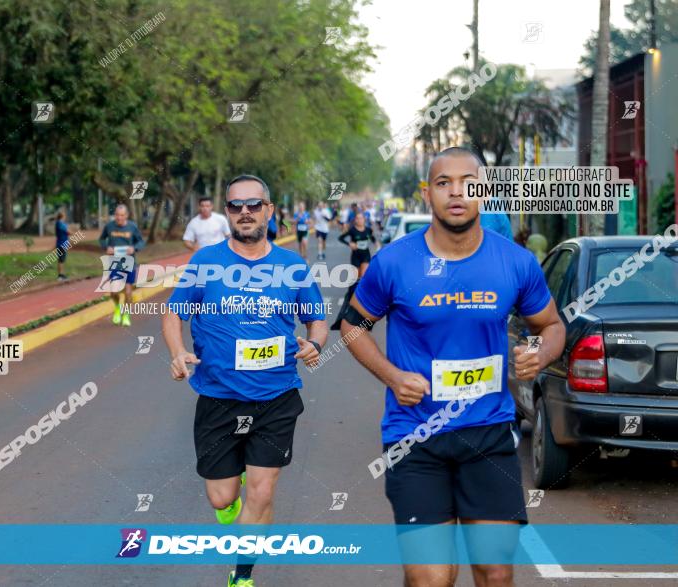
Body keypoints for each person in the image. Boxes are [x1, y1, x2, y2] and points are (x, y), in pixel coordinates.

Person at [340, 147, 566, 587]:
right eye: (443, 183)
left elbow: (552, 324)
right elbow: (352, 327)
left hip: (490, 433)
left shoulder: (515, 262)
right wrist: (392, 375)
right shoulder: (395, 262)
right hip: (415, 436)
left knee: (496, 573)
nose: (456, 192)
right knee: (430, 578)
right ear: (428, 194)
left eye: (467, 182)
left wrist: (541, 351)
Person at [163, 174, 327, 587]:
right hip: (218, 396)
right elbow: (173, 314)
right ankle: (232, 495)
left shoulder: (292, 266)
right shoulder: (205, 262)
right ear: (227, 213)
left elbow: (317, 321)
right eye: (236, 206)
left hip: (276, 396)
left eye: (254, 204)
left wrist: (315, 344)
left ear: (269, 211)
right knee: (223, 497)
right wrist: (177, 352)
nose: (246, 212)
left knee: (262, 493)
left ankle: (243, 575)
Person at [99, 204, 145, 327]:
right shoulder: (109, 226)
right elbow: (102, 239)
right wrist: (106, 247)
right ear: (115, 215)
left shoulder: (132, 227)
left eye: (122, 215)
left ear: (127, 215)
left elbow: (141, 241)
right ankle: (118, 307)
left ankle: (126, 314)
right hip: (114, 262)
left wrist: (134, 248)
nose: (119, 218)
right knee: (114, 291)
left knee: (128, 292)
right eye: (117, 215)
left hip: (129, 262)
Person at [331, 212, 376, 331]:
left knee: (364, 279)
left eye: (361, 218)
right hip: (355, 256)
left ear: (364, 220)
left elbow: (373, 239)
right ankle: (353, 302)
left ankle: (363, 303)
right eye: (358, 218)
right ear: (355, 220)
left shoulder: (368, 230)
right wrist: (349, 244)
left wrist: (377, 246)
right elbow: (340, 238)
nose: (359, 220)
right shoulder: (352, 230)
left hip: (366, 255)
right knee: (356, 280)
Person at [55, 211, 70, 281]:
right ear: (62, 216)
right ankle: (60, 276)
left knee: (62, 260)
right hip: (61, 244)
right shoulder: (60, 223)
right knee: (61, 260)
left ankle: (62, 274)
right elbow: (67, 231)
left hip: (62, 243)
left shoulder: (61, 223)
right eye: (64, 215)